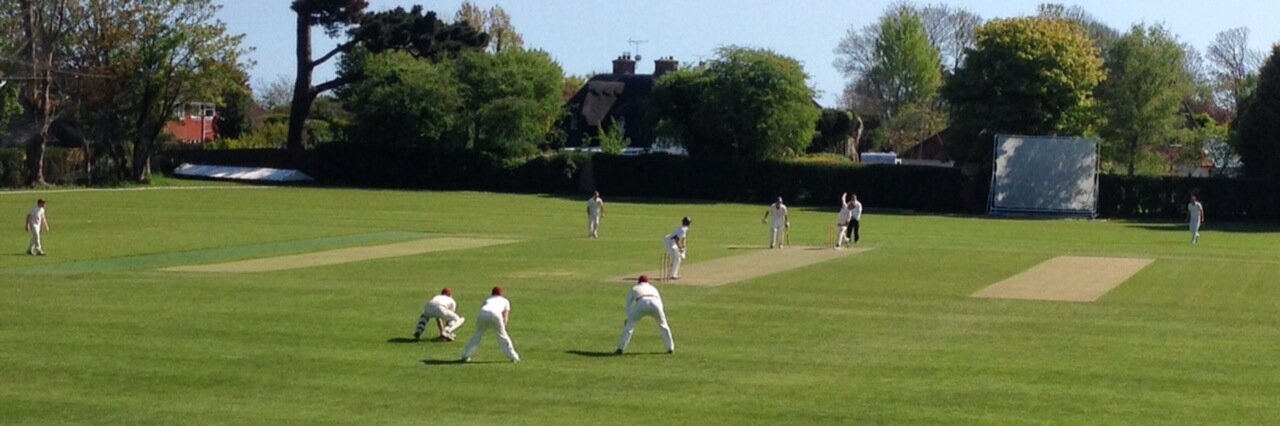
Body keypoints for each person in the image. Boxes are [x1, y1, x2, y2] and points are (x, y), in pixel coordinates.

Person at [615, 275, 674, 355]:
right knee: (663, 325)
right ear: (648, 282)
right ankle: (670, 348)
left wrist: (629, 317)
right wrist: (661, 315)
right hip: (655, 303)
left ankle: (620, 349)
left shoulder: (635, 288)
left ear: (639, 282)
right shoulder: (653, 288)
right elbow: (660, 302)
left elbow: (629, 303)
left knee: (630, 326)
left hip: (641, 302)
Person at [461, 286, 520, 363]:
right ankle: (514, 357)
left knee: (477, 334)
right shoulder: (505, 301)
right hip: (495, 314)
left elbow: (483, 308)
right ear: (502, 294)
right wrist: (503, 327)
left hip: (482, 312)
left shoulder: (488, 299)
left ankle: (465, 355)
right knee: (503, 336)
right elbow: (505, 315)